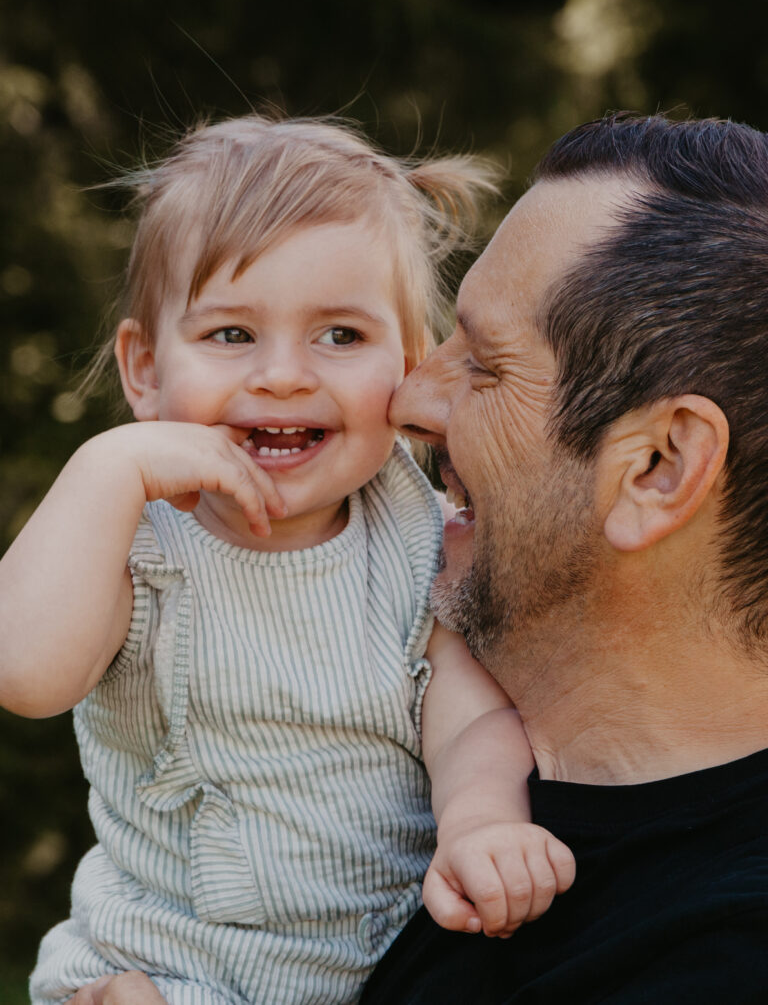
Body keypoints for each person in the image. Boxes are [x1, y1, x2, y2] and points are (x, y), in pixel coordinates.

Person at [0, 115, 575, 1005]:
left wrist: (480, 819)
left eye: (340, 336)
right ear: (144, 369)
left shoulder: (418, 536)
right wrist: (107, 465)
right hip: (162, 964)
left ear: (410, 368)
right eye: (232, 334)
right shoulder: (135, 535)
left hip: (382, 971)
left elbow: (469, 720)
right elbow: (26, 670)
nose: (282, 375)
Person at [358, 111, 768, 1002]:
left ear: (657, 468)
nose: (406, 397)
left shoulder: (727, 955)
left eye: (487, 367)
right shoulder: (412, 771)